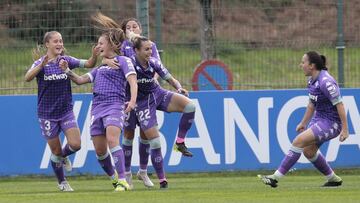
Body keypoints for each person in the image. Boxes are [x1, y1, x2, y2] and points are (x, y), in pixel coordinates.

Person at [60, 19, 138, 191]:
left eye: (101, 43)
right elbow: (80, 80)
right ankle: (116, 179)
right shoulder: (99, 68)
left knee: (112, 139)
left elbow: (133, 82)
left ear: (112, 44)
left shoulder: (123, 61)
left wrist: (132, 101)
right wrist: (66, 71)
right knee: (100, 151)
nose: (98, 46)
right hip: (97, 108)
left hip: (114, 105)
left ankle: (124, 181)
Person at [258, 51, 349, 188]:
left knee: (298, 141)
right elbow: (312, 104)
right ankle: (333, 179)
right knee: (308, 151)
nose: (301, 65)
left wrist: (345, 129)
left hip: (331, 123)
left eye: (303, 62)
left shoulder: (326, 82)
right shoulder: (311, 81)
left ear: (312, 65)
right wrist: (304, 123)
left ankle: (275, 177)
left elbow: (340, 104)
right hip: (320, 119)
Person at [25, 31, 98, 191]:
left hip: (65, 111)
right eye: (56, 41)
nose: (59, 44)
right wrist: (40, 66)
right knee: (55, 151)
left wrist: (94, 55)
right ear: (47, 44)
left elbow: (89, 64)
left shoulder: (66, 61)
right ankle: (62, 182)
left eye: (61, 41)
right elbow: (27, 77)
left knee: (76, 144)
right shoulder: (40, 63)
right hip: (47, 115)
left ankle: (62, 157)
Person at [123, 36, 196, 189]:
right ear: (136, 51)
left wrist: (178, 87)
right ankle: (162, 180)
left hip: (158, 94)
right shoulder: (128, 63)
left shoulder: (154, 62)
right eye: (146, 49)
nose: (150, 52)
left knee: (190, 106)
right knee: (154, 141)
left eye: (151, 48)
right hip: (141, 103)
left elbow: (169, 78)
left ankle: (180, 143)